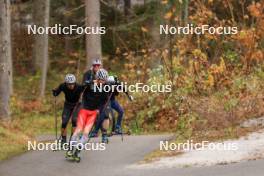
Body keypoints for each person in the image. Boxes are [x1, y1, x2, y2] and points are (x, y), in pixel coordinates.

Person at [66, 69, 111, 162]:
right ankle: (70, 149)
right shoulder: (90, 85)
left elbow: (104, 102)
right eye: (101, 80)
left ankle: (77, 151)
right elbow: (80, 89)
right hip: (84, 110)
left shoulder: (105, 88)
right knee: (78, 130)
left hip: (93, 113)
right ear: (97, 79)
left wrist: (99, 110)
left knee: (86, 133)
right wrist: (86, 84)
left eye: (104, 80)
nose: (102, 82)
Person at [52, 74, 84, 145]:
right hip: (68, 105)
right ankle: (63, 140)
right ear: (66, 83)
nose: (71, 86)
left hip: (77, 105)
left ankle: (73, 139)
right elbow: (57, 92)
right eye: (69, 84)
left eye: (72, 84)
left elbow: (86, 89)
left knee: (74, 120)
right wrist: (55, 92)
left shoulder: (79, 86)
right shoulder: (63, 86)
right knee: (64, 122)